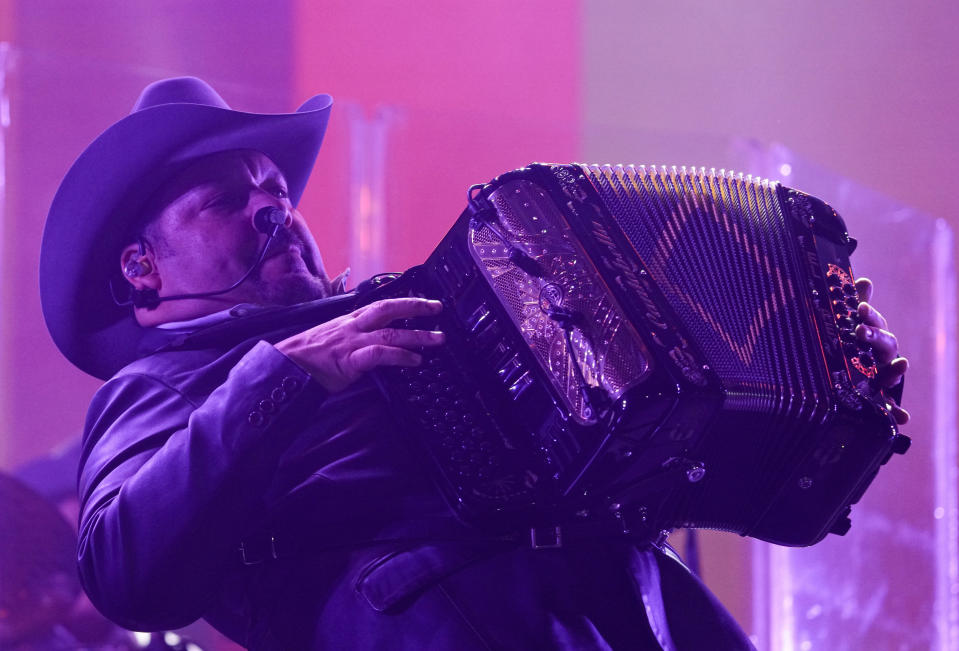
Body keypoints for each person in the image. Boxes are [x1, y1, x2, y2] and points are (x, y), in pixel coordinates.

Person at [39, 77, 908, 650]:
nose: (275, 209)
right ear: (141, 268)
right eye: (229, 200)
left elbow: (661, 449)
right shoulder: (156, 387)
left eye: (278, 190)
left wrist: (831, 376)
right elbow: (125, 570)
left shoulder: (421, 307)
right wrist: (287, 372)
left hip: (631, 614)